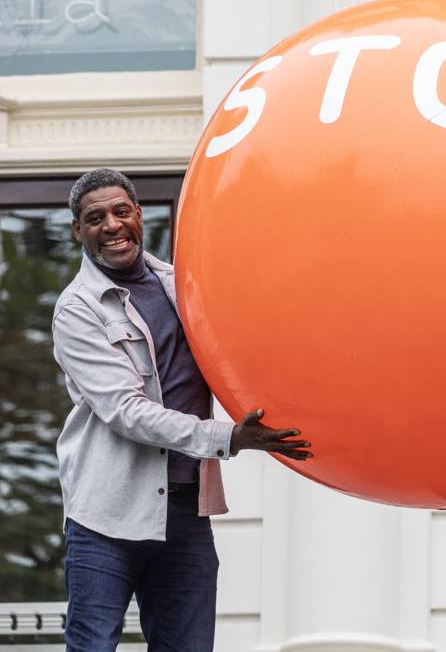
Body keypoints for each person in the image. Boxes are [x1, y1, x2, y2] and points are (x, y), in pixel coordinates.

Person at [52, 168, 313, 651]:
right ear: (77, 231)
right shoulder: (78, 309)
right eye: (95, 218)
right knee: (92, 646)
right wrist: (228, 437)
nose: (111, 225)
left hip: (185, 510)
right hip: (106, 516)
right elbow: (126, 411)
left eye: (120, 211)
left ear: (138, 215)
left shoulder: (184, 287)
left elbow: (243, 349)